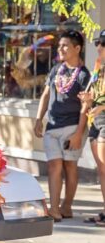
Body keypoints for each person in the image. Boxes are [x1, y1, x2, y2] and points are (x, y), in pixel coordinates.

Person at [34, 30, 90, 222]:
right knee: (53, 166)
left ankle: (67, 205)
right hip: (52, 126)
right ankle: (54, 208)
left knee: (70, 167)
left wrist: (78, 133)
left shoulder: (84, 75)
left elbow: (86, 106)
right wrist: (38, 118)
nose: (61, 49)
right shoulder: (56, 70)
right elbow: (46, 95)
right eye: (60, 45)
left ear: (77, 48)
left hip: (72, 127)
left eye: (65, 45)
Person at [80, 30, 105, 226]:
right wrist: (88, 101)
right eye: (99, 43)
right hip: (95, 122)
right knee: (102, 170)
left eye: (103, 44)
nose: (99, 47)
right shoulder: (99, 69)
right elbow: (93, 97)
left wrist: (101, 107)